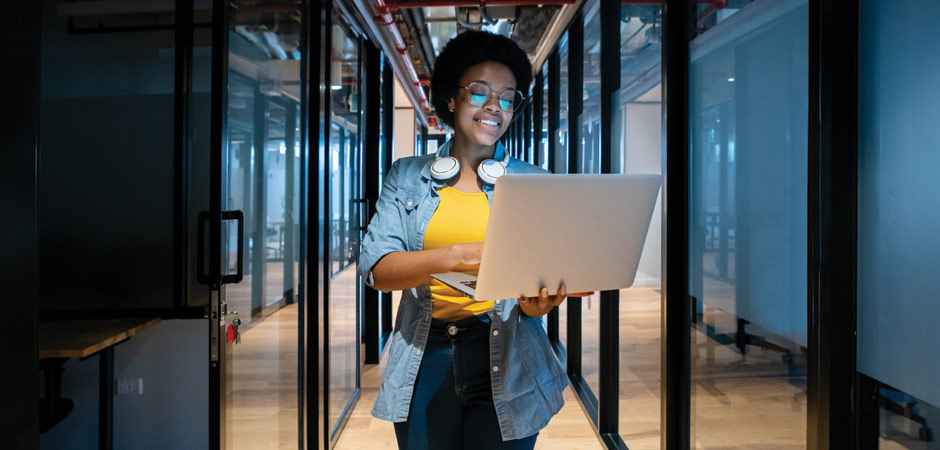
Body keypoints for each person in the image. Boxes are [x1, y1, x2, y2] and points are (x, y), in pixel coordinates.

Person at [358, 30, 584, 450]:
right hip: (424, 353)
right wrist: (458, 255)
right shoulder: (407, 176)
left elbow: (536, 281)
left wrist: (537, 305)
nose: (494, 106)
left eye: (507, 97)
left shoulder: (534, 182)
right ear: (451, 99)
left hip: (509, 352)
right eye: (479, 93)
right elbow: (376, 271)